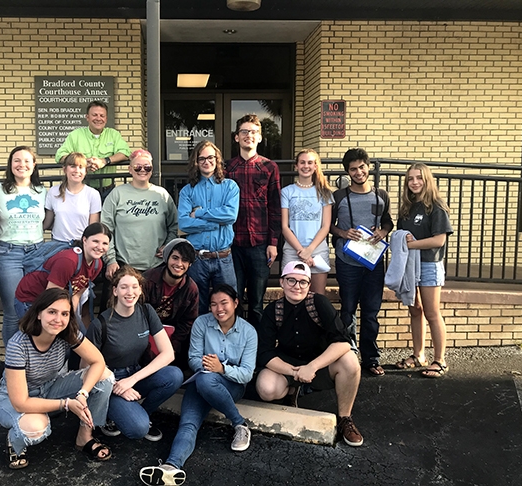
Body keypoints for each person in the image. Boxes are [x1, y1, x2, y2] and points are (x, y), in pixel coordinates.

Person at [139, 284, 258, 486]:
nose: (219, 309)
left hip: (231, 386)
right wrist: (207, 366)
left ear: (236, 303)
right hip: (201, 381)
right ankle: (171, 467)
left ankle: (239, 423)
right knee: (187, 424)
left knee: (206, 380)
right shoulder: (202, 323)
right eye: (213, 304)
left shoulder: (248, 332)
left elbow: (246, 373)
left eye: (224, 303)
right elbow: (193, 359)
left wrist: (222, 369)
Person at [0, 288, 114, 469]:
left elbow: (98, 362)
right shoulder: (18, 344)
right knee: (35, 428)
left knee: (105, 376)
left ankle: (85, 436)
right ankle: (15, 441)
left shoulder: (67, 334)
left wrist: (82, 394)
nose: (58, 320)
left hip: (50, 388)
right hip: (14, 399)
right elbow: (20, 402)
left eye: (65, 313)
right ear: (39, 314)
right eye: (52, 312)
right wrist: (66, 404)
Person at [255, 261, 363, 447]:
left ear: (309, 285)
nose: (297, 286)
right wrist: (294, 372)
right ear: (282, 282)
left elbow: (343, 341)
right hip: (288, 366)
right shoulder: (273, 310)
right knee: (266, 388)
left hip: (319, 364)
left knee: (350, 362)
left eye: (302, 282)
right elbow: (265, 352)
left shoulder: (319, 303)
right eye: (291, 280)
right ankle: (291, 390)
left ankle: (345, 418)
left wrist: (312, 367)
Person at [87, 266, 184, 441]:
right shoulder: (101, 324)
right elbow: (86, 367)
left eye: (134, 286)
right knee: (137, 429)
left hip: (135, 374)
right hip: (108, 382)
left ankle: (142, 414)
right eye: (124, 287)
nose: (129, 292)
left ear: (140, 290)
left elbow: (168, 354)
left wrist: (132, 380)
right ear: (115, 291)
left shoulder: (146, 311)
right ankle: (111, 416)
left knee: (174, 375)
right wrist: (118, 387)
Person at [330, 148, 394, 376]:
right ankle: (347, 356)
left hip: (373, 263)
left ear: (369, 167)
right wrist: (343, 233)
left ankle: (370, 358)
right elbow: (328, 225)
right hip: (347, 261)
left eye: (362, 167)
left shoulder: (381, 195)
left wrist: (383, 231)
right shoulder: (338, 196)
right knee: (347, 310)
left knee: (370, 312)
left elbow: (388, 221)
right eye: (353, 169)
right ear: (348, 172)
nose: (358, 172)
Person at [394, 163, 453, 378]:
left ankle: (440, 360)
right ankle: (419, 355)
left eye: (419, 178)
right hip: (410, 265)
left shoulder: (436, 206)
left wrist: (410, 244)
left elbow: (439, 240)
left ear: (427, 180)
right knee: (414, 310)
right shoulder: (407, 207)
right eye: (410, 179)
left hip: (429, 264)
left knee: (432, 313)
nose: (414, 182)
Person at [224, 114, 281, 327]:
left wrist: (273, 243)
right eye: (245, 132)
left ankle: (257, 351)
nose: (249, 135)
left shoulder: (269, 167)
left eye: (254, 132)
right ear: (236, 137)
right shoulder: (227, 168)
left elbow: (275, 208)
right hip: (233, 245)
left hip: (260, 244)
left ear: (260, 138)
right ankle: (235, 345)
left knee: (257, 302)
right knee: (234, 299)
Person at [0, 146, 47, 345]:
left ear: (34, 165)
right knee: (13, 312)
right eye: (16, 160)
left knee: (36, 308)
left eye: (26, 161)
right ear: (10, 164)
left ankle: (35, 358)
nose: (21, 165)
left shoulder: (41, 191)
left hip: (37, 252)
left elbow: (47, 220)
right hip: (8, 253)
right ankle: (13, 365)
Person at [178, 140, 239, 314]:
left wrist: (198, 213)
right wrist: (215, 223)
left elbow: (230, 216)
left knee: (227, 306)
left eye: (210, 157)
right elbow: (184, 223)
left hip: (224, 258)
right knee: (197, 307)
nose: (206, 161)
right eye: (202, 158)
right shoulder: (187, 191)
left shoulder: (230, 187)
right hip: (197, 259)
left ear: (217, 159)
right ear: (196, 162)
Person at [101, 148, 178, 279]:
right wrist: (110, 260)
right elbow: (106, 228)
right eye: (137, 167)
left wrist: (168, 246)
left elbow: (174, 225)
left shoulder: (162, 194)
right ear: (130, 169)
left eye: (147, 167)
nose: (142, 170)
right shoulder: (117, 193)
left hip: (156, 266)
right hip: (124, 265)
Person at [14, 223, 110, 322]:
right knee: (38, 334)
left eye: (105, 243)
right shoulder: (69, 260)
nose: (100, 247)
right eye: (95, 241)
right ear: (84, 240)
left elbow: (76, 295)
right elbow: (51, 295)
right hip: (32, 298)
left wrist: (71, 318)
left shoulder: (97, 264)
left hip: (55, 301)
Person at [281, 148, 334, 295]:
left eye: (310, 162)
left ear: (315, 166)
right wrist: (301, 251)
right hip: (293, 251)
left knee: (317, 297)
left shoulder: (325, 192)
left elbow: (325, 226)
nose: (306, 166)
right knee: (292, 295)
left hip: (317, 251)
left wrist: (309, 251)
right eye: (302, 162)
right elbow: (285, 226)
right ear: (296, 166)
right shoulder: (287, 192)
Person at [142, 238, 199, 370]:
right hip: (144, 334)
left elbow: (187, 322)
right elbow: (136, 315)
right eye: (175, 258)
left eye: (185, 260)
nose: (179, 264)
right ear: (167, 258)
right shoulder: (147, 280)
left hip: (170, 338)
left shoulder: (191, 289)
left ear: (190, 264)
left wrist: (172, 347)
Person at [54, 100, 130, 194]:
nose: (98, 118)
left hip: (107, 191)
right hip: (81, 190)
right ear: (87, 117)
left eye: (102, 116)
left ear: (106, 119)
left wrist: (104, 161)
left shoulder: (114, 134)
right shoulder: (75, 135)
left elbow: (125, 153)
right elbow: (60, 156)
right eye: (94, 115)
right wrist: (83, 162)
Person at [43, 152, 101, 243]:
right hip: (57, 243)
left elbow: (93, 228)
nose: (77, 170)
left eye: (81, 167)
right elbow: (46, 223)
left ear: (86, 171)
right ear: (65, 170)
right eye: (73, 166)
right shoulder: (53, 191)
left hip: (81, 244)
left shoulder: (93, 194)